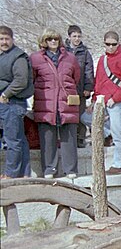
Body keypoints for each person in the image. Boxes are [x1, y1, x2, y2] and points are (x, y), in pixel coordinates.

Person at [30, 29, 81, 179]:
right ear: (44, 41)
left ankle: (70, 169)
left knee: (69, 136)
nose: (53, 42)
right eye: (49, 39)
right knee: (47, 137)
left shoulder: (70, 58)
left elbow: (76, 77)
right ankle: (49, 169)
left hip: (66, 102)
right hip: (46, 103)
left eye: (55, 39)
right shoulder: (35, 58)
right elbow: (31, 79)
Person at [93, 31, 121, 174]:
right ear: (104, 44)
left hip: (117, 102)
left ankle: (119, 164)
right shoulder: (101, 60)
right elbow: (98, 81)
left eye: (113, 44)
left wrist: (115, 98)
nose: (110, 47)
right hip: (102, 102)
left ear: (118, 44)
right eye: (107, 44)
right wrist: (95, 100)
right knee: (88, 121)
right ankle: (107, 136)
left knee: (118, 134)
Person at [0, 26, 34, 179]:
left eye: (7, 39)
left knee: (13, 140)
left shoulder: (18, 56)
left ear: (12, 39)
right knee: (19, 139)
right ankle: (24, 173)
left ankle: (11, 174)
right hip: (6, 103)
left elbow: (21, 80)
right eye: (1, 39)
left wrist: (6, 93)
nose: (4, 42)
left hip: (12, 102)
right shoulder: (4, 55)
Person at [64, 25, 94, 148]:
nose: (77, 39)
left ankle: (80, 139)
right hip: (66, 91)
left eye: (79, 36)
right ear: (69, 37)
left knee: (80, 115)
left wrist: (88, 87)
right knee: (68, 115)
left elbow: (89, 71)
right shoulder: (63, 51)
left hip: (80, 89)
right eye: (74, 36)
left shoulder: (85, 52)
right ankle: (68, 140)